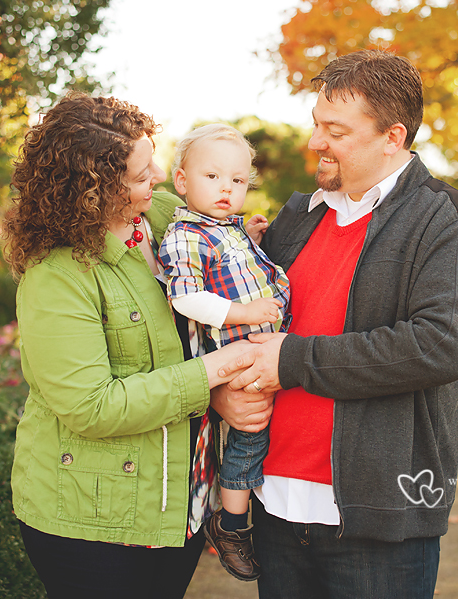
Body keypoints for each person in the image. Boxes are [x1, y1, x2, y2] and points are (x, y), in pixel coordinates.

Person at [213, 49, 458, 598]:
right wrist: (223, 394)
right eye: (317, 125)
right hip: (275, 505)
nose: (317, 142)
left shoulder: (449, 222)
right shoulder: (296, 218)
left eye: (335, 131)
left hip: (380, 520)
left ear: (392, 137)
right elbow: (236, 327)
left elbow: (443, 345)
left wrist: (294, 360)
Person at [1, 93, 267, 599]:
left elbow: (220, 258)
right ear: (93, 189)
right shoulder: (57, 274)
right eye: (142, 174)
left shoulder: (164, 217)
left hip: (179, 504)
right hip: (92, 522)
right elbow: (90, 405)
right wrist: (216, 375)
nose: (161, 177)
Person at [158, 123, 292, 582]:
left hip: (259, 348)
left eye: (237, 180)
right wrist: (244, 311)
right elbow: (187, 297)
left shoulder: (226, 230)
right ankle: (232, 523)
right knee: (251, 431)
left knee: (264, 429)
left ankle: (239, 510)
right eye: (212, 177)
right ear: (182, 182)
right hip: (231, 356)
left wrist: (251, 240)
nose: (226, 188)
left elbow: (233, 269)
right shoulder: (184, 235)